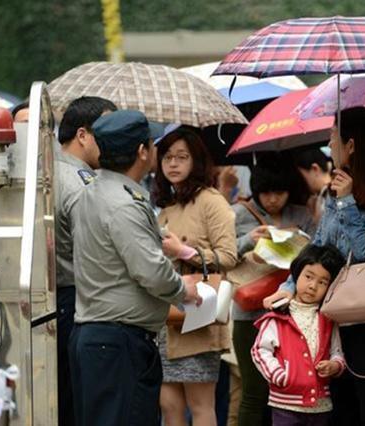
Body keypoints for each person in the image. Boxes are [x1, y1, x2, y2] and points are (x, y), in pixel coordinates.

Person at [265, 106, 365, 426]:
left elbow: (363, 253)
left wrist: (347, 202)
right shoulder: (333, 192)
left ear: (352, 145)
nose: (330, 145)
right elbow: (319, 248)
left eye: (333, 137)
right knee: (337, 403)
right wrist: (288, 287)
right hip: (329, 310)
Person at [69, 110, 200, 426]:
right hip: (117, 341)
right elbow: (151, 272)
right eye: (153, 144)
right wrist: (185, 289)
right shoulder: (124, 202)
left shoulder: (96, 190)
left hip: (102, 337)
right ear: (143, 152)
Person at [153, 124, 238, 426]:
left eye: (181, 157)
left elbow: (229, 257)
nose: (173, 164)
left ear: (196, 161)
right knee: (169, 404)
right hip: (166, 318)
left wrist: (185, 252)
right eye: (167, 158)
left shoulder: (211, 201)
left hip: (198, 315)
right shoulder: (166, 206)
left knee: (201, 405)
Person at [232, 159, 315, 426]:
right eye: (266, 193)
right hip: (250, 313)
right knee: (253, 391)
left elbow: (318, 254)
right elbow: (222, 256)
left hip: (292, 314)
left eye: (279, 192)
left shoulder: (302, 214)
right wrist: (248, 240)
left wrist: (299, 239)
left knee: (289, 389)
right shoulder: (240, 213)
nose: (272, 200)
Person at [54, 96, 117, 426]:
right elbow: (97, 251)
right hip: (76, 299)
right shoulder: (82, 186)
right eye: (105, 132)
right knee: (79, 404)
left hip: (59, 299)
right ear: (82, 134)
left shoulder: (48, 172)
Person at [252, 244, 346, 426]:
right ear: (296, 275)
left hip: (320, 405)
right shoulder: (279, 315)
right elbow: (259, 350)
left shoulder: (328, 319)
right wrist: (279, 375)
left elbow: (337, 351)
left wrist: (335, 365)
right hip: (285, 404)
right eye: (308, 277)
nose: (313, 286)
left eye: (322, 282)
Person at [292, 147, 332, 222]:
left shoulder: (333, 194)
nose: (302, 182)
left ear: (315, 169)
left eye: (303, 176)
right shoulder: (320, 197)